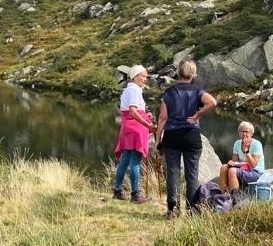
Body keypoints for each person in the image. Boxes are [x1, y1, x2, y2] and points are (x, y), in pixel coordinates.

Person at [156, 59, 217, 218]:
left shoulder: (169, 93)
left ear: (178, 72)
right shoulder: (198, 91)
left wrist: (158, 139)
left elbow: (162, 118)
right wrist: (197, 115)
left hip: (172, 136)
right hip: (191, 136)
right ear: (193, 73)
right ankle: (192, 210)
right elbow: (212, 102)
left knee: (173, 173)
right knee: (192, 175)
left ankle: (173, 210)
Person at [113, 65, 154, 203]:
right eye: (143, 76)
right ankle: (135, 193)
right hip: (136, 129)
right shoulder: (135, 90)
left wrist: (145, 114)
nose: (146, 79)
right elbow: (133, 111)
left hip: (127, 128)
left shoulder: (127, 90)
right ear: (135, 77)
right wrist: (148, 124)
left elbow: (132, 111)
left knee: (125, 159)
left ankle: (118, 190)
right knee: (135, 160)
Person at [219, 121, 264, 194]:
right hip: (243, 169)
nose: (244, 134)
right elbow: (234, 162)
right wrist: (231, 162)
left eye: (246, 132)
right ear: (239, 133)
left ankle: (236, 198)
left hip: (256, 172)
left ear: (251, 133)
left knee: (232, 171)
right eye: (242, 131)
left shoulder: (257, 144)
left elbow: (253, 164)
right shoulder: (237, 143)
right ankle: (223, 194)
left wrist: (246, 150)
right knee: (224, 167)